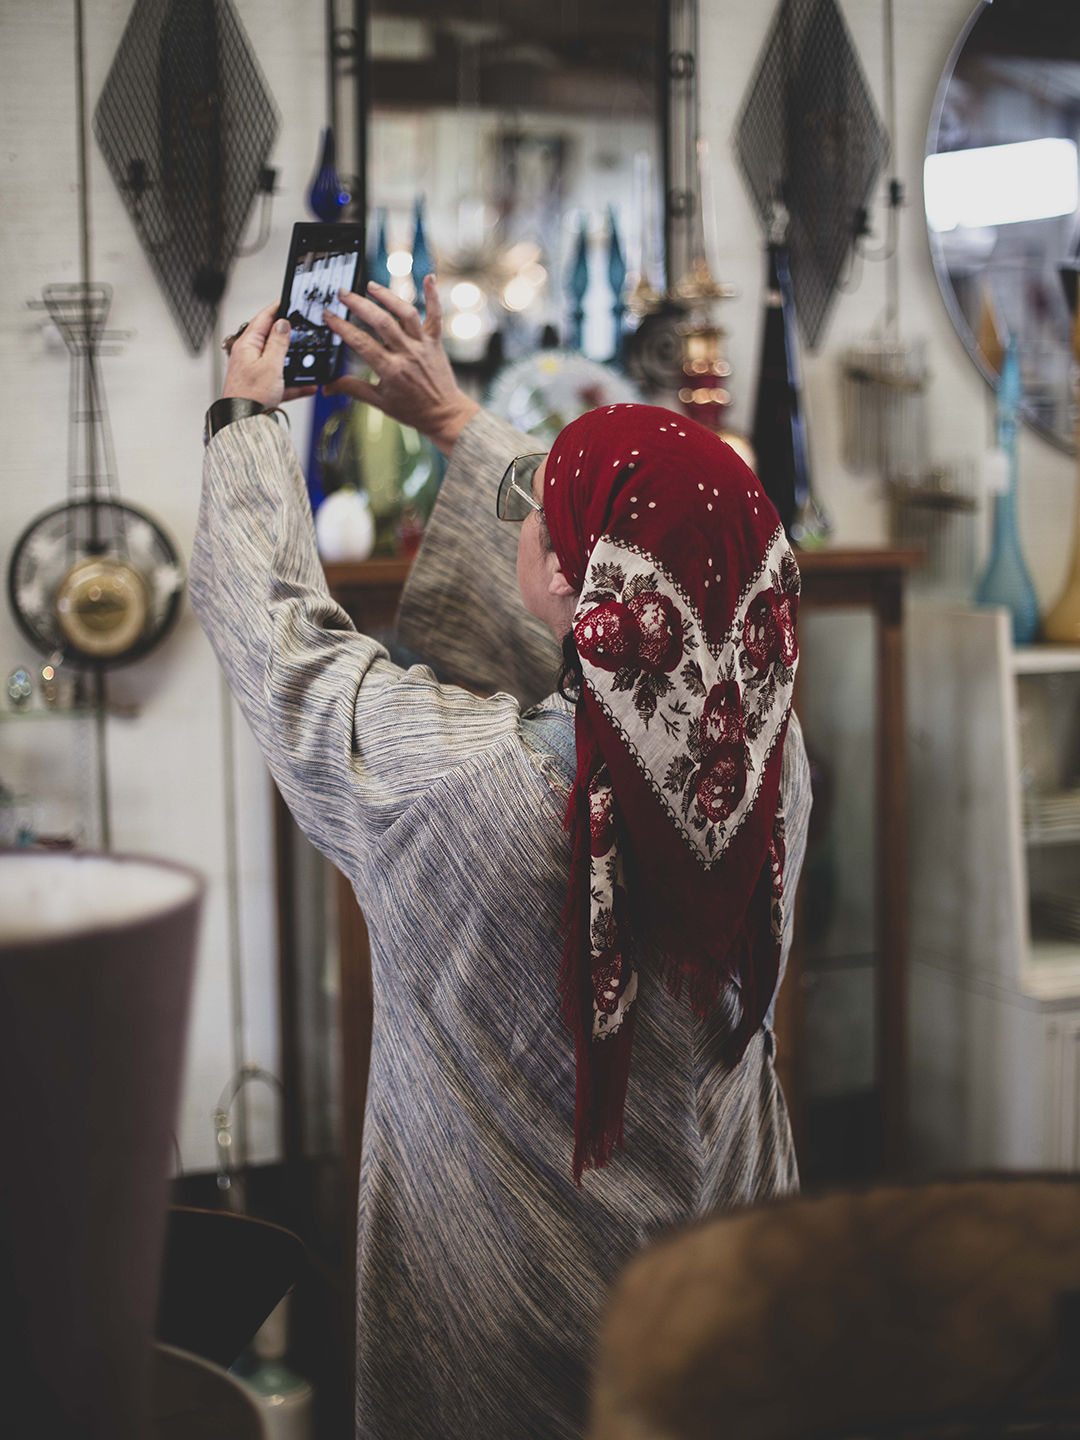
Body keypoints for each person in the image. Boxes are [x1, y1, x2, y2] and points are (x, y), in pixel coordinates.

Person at [191, 276, 811, 1440]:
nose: (522, 509)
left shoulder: (452, 788)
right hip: (726, 1288)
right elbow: (631, 580)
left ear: (577, 589)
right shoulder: (772, 769)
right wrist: (457, 424)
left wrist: (246, 426)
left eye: (540, 507)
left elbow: (286, 648)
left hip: (507, 1317)